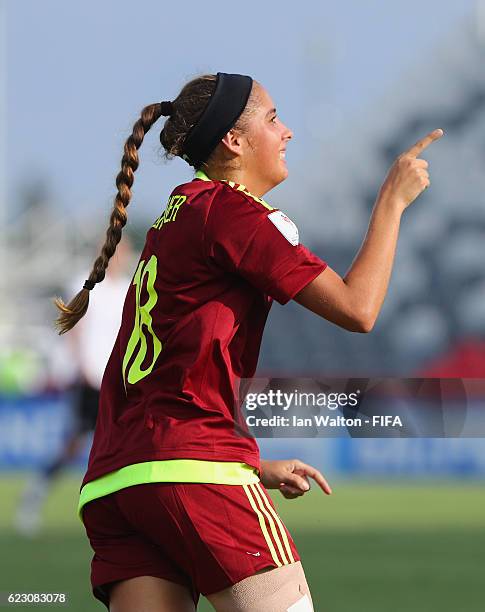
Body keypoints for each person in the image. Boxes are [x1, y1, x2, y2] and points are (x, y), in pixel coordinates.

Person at [53, 72, 443, 611]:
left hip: (117, 483)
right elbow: (359, 309)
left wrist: (251, 467)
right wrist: (391, 201)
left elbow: (161, 385)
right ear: (233, 142)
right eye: (273, 118)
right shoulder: (232, 213)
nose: (287, 133)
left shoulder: (177, 215)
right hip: (195, 476)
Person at [15, 237, 133, 535]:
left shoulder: (127, 289)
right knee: (75, 444)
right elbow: (73, 328)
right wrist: (80, 365)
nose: (119, 257)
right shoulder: (86, 284)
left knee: (123, 444)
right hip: (89, 378)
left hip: (116, 379)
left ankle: (121, 513)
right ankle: (35, 494)